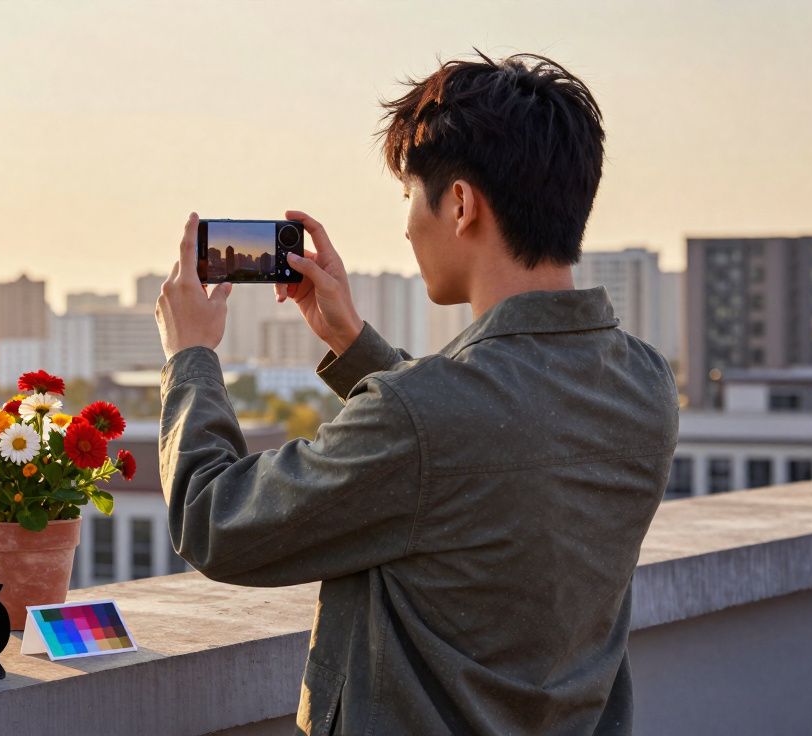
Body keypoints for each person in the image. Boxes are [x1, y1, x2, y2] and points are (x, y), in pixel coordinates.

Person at [154, 49, 678, 735]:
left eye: (409, 197)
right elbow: (487, 435)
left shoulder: (424, 419)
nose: (406, 226)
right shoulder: (645, 384)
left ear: (460, 203)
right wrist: (354, 345)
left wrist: (190, 356)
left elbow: (213, 519)